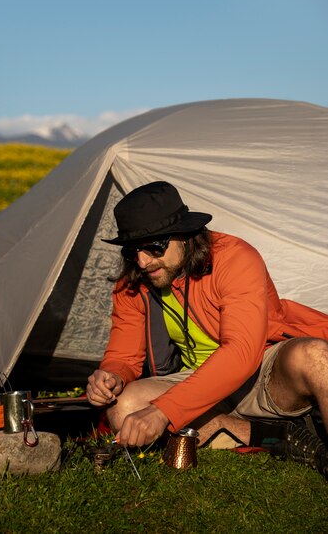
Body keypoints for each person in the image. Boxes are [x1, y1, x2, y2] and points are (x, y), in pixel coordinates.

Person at [87, 181, 328, 477]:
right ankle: (274, 437)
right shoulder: (134, 282)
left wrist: (164, 411)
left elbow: (242, 353)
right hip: (196, 381)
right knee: (123, 410)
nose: (143, 261)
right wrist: (110, 376)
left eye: (154, 246)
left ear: (186, 235)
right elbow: (123, 357)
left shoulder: (234, 257)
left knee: (316, 356)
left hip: (261, 367)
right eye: (132, 251)